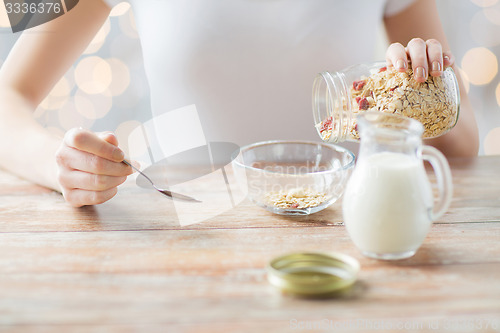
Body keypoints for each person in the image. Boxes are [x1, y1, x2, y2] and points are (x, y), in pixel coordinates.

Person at [0, 0, 479, 207]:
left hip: (342, 233)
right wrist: (58, 165)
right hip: (185, 234)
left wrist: (422, 95)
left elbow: (463, 145)